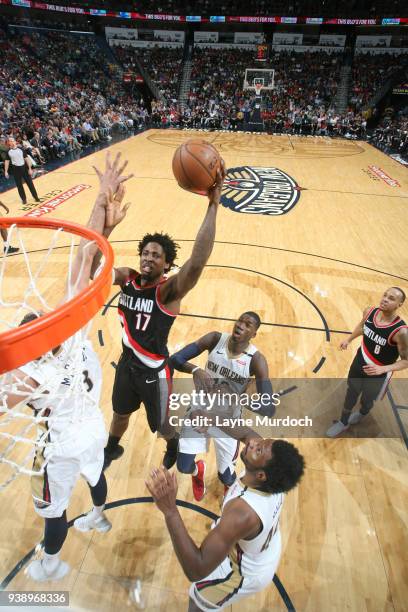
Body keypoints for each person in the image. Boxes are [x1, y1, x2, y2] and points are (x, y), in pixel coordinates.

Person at [0, 152, 132, 581]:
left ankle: (51, 569)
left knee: (53, 512)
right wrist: (100, 203)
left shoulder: (28, 374)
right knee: (95, 476)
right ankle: (99, 515)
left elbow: (5, 401)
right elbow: (81, 259)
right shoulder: (70, 335)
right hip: (92, 427)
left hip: (60, 446)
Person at [101, 160, 226, 471]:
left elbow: (196, 263)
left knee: (163, 426)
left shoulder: (167, 292)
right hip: (127, 365)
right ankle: (111, 448)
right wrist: (106, 226)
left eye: (156, 255)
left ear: (166, 266)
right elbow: (95, 269)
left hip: (155, 371)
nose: (148, 257)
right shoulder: (127, 277)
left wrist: (213, 205)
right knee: (119, 414)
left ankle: (173, 444)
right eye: (145, 252)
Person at [146, 424, 304, 612]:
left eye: (258, 448)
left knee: (198, 603)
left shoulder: (242, 513)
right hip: (261, 548)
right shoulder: (272, 474)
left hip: (243, 571)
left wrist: (170, 510)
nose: (253, 443)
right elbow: (246, 433)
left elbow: (196, 569)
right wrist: (211, 419)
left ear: (261, 475)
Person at [170, 311, 278, 501]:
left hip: (229, 423)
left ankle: (230, 488)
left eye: (248, 325)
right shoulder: (214, 339)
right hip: (200, 411)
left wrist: (239, 398)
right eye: (240, 321)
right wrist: (195, 370)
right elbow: (176, 359)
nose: (241, 326)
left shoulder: (256, 360)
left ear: (254, 334)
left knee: (226, 475)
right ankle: (198, 471)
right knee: (183, 466)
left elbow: (269, 409)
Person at [327, 287, 408, 437]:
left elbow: (406, 361)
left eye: (391, 298)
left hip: (378, 373)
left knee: (367, 399)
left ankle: (363, 412)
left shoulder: (401, 332)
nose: (385, 299)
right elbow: (362, 327)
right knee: (351, 392)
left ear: (400, 304)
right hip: (359, 362)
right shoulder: (369, 312)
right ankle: (343, 422)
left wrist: (383, 369)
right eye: (384, 295)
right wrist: (349, 339)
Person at [4, 137, 40, 205]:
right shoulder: (8, 151)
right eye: (10, 141)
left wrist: (30, 168)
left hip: (24, 168)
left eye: (12, 141)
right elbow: (7, 161)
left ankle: (36, 197)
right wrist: (6, 171)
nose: (12, 142)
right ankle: (24, 199)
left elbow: (27, 159)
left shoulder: (21, 149)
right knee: (19, 185)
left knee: (30, 184)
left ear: (15, 142)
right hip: (16, 170)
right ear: (9, 143)